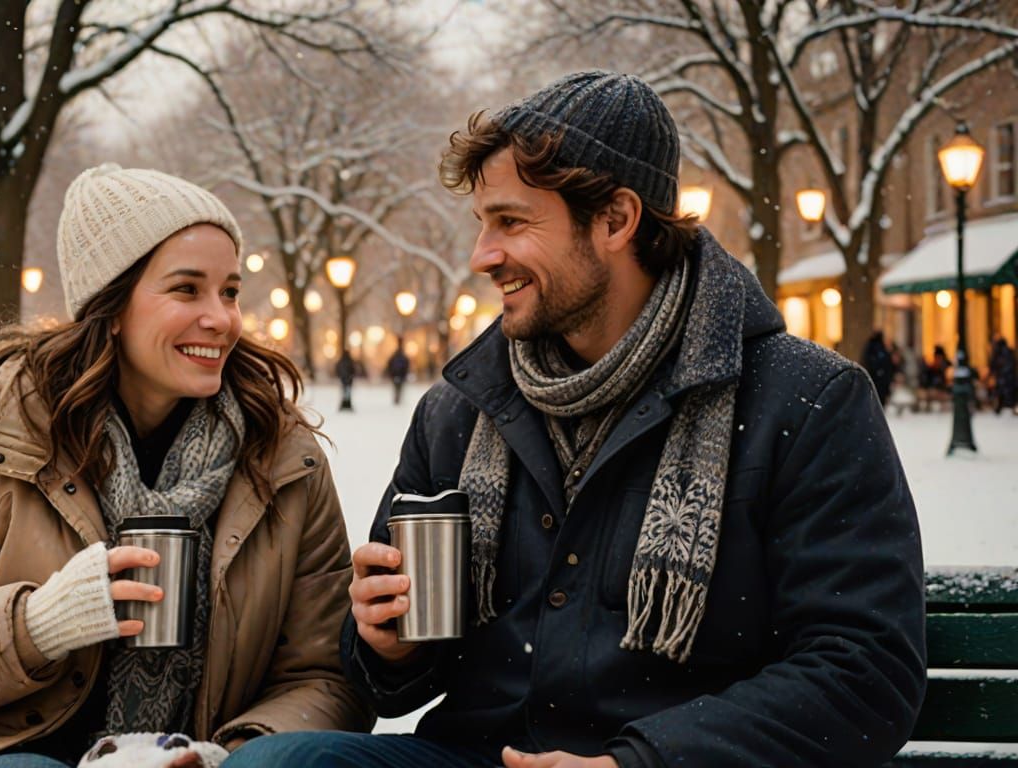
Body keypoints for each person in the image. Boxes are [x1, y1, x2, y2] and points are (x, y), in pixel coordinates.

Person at [228, 71, 925, 768]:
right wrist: (388, 643)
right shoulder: (463, 409)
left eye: (511, 222)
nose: (481, 257)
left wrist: (641, 761)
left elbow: (862, 671)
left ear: (616, 220)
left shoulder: (805, 401)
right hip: (476, 755)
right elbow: (387, 680)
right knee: (275, 766)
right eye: (482, 224)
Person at [0, 166, 370, 767]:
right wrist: (38, 624)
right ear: (113, 305)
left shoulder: (281, 457)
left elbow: (326, 679)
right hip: (8, 749)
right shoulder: (2, 435)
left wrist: (225, 754)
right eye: (186, 289)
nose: (222, 318)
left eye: (229, 291)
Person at [861, 329, 895, 406]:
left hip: (876, 378)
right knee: (880, 397)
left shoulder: (872, 347)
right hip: (879, 378)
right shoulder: (879, 348)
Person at [990, 335, 1017, 414]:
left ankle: (1000, 408)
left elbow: (994, 364)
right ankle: (1009, 406)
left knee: (1001, 392)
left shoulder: (999, 352)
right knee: (1008, 393)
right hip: (1009, 377)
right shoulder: (1009, 352)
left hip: (1004, 377)